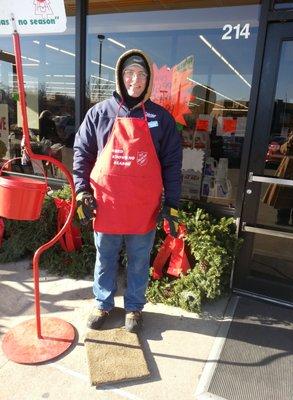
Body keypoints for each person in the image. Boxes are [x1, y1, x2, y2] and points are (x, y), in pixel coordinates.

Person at [73, 49, 182, 332]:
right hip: (106, 203)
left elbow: (172, 164)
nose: (135, 79)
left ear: (149, 80)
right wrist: (82, 190)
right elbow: (82, 153)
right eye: (129, 73)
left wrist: (171, 204)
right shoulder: (99, 113)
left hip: (142, 208)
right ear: (121, 77)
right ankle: (102, 303)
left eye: (142, 74)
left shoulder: (161, 118)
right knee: (105, 258)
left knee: (138, 260)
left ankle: (134, 307)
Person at [263, 126, 293, 229]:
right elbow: (283, 150)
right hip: (288, 173)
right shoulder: (292, 141)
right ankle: (282, 219)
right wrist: (291, 140)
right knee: (284, 197)